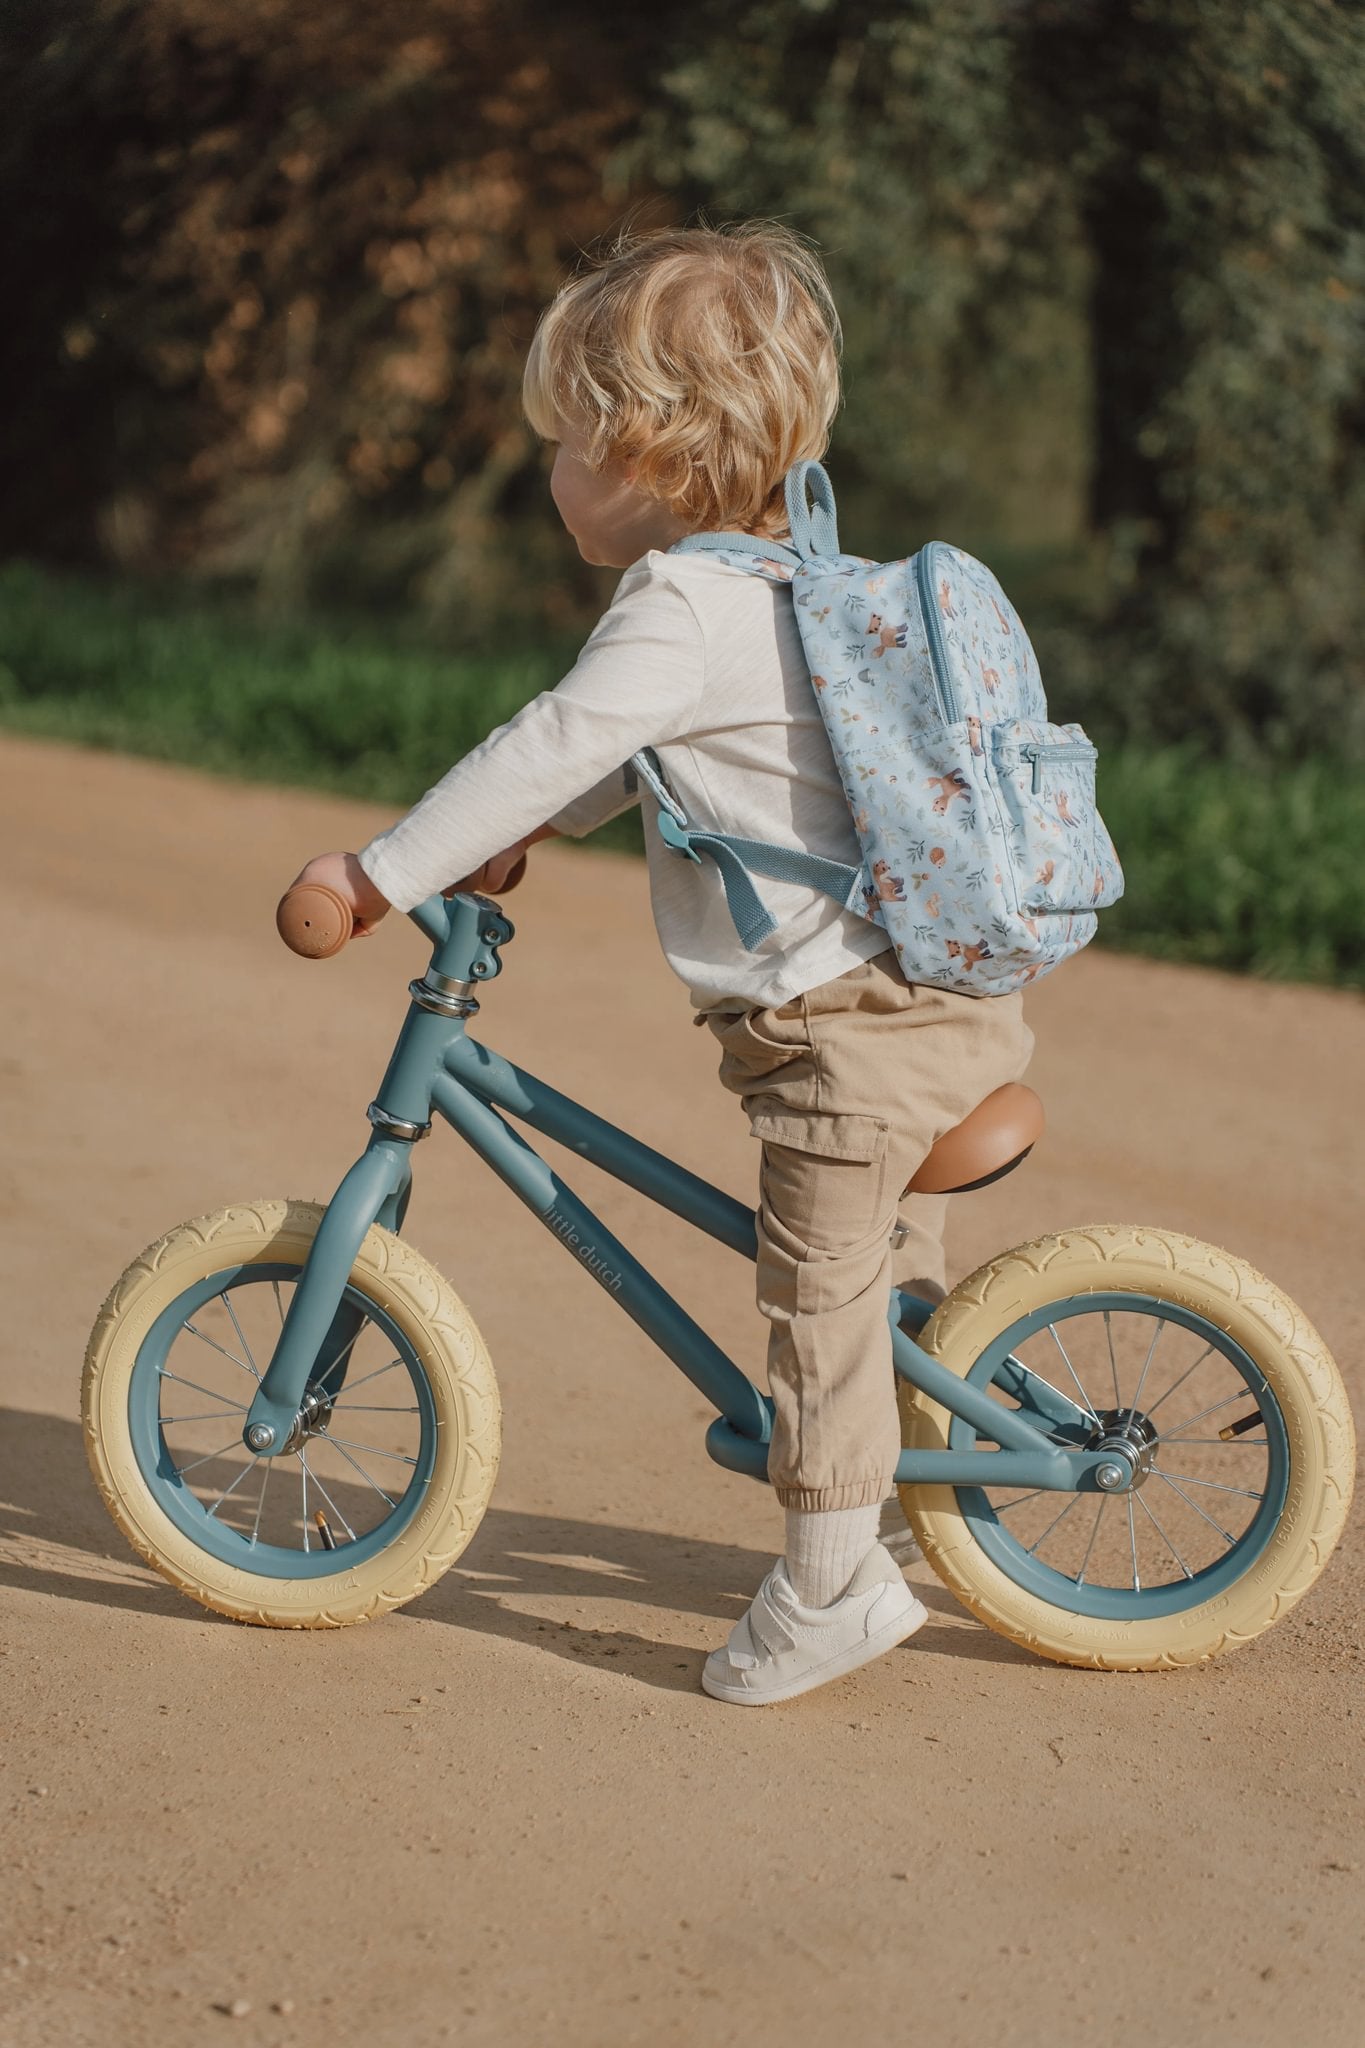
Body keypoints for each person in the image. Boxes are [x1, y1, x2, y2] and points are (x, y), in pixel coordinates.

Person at [290, 223, 1035, 1705]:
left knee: (809, 1289)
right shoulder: (786, 580)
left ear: (647, 446)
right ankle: (906, 1468)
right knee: (881, 1283)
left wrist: (377, 874)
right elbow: (634, 763)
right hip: (933, 996)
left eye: (564, 440)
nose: (550, 470)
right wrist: (540, 837)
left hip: (849, 1035)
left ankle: (830, 1582)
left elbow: (556, 738)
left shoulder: (679, 604)